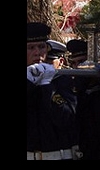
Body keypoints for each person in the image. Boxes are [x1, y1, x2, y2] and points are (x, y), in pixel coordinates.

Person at [27, 22, 80, 160]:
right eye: (31, 48)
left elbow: (66, 119)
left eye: (41, 47)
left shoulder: (61, 79)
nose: (37, 52)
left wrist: (46, 85)